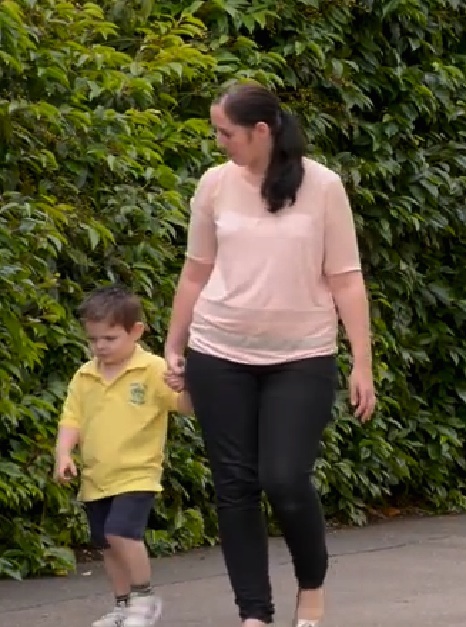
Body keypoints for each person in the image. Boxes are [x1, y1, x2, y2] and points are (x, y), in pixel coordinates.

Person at [161, 80, 376, 627]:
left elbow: (346, 279)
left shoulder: (323, 186)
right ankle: (253, 614)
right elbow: (196, 271)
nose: (219, 142)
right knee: (234, 487)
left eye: (225, 132)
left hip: (301, 356)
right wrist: (173, 343)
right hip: (218, 350)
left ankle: (312, 583)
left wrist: (362, 363)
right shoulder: (214, 185)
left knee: (284, 479)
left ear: (262, 131)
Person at [55, 285, 194, 627]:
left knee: (121, 533)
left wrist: (189, 385)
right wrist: (63, 454)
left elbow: (185, 408)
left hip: (137, 473)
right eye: (94, 339)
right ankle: (122, 606)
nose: (100, 346)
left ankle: (145, 598)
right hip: (96, 477)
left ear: (136, 331)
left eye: (110, 338)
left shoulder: (152, 369)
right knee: (106, 545)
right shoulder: (85, 375)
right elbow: (71, 418)